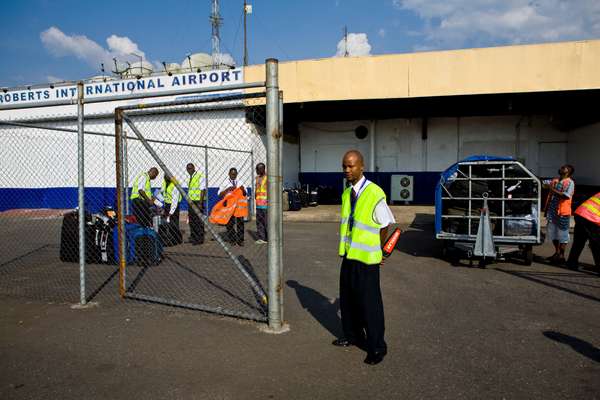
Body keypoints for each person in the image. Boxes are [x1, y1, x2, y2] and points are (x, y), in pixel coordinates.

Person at [332, 150, 395, 366]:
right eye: (344, 166)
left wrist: (379, 251)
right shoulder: (347, 193)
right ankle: (352, 336)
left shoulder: (374, 192)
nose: (347, 170)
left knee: (370, 304)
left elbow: (385, 223)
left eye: (351, 166)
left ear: (361, 167)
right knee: (348, 300)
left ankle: (377, 347)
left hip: (367, 260)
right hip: (350, 256)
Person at [543, 164, 575, 264]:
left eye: (563, 168)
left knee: (562, 235)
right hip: (552, 213)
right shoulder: (555, 180)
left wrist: (551, 189)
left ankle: (561, 256)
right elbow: (543, 183)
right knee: (553, 234)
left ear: (568, 171)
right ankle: (557, 253)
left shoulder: (570, 182)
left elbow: (566, 196)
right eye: (561, 167)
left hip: (563, 213)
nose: (561, 168)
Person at [566, 192, 600, 272]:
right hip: (591, 218)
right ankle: (599, 267)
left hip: (581, 214)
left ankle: (571, 263)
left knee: (579, 242)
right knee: (596, 244)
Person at [219, 167, 247, 246]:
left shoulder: (240, 182)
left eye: (235, 174)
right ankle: (232, 240)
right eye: (232, 174)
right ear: (229, 174)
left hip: (239, 207)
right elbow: (220, 195)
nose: (233, 175)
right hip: (229, 206)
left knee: (240, 223)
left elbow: (245, 194)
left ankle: (240, 240)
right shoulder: (225, 183)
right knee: (230, 223)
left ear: (237, 174)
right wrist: (228, 189)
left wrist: (242, 189)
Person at [186, 163, 206, 245]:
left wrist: (200, 203)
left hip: (198, 202)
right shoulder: (190, 178)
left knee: (198, 221)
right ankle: (193, 237)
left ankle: (199, 239)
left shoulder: (199, 176)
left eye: (190, 168)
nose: (189, 170)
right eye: (188, 169)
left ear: (194, 168)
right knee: (192, 220)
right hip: (191, 202)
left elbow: (202, 190)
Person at [255, 163, 268, 244]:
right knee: (259, 222)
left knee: (266, 222)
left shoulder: (268, 178)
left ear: (262, 169)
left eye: (257, 169)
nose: (256, 171)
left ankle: (268, 237)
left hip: (266, 205)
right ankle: (262, 238)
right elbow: (257, 189)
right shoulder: (257, 178)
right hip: (259, 204)